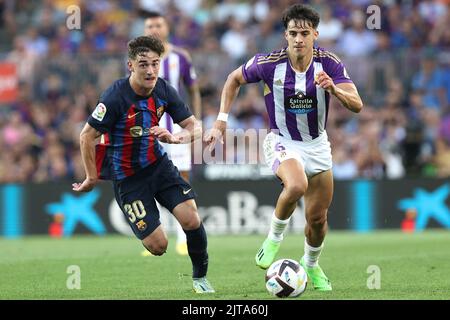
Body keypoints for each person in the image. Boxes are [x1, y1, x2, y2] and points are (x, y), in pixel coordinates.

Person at [205, 4, 363, 291]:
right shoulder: (269, 63)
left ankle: (311, 266)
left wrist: (333, 89)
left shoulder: (329, 63)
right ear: (285, 35)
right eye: (293, 33)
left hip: (317, 145)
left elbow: (357, 105)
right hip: (281, 140)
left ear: (315, 34)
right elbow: (233, 79)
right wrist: (221, 121)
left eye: (304, 33)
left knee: (317, 220)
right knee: (296, 186)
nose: (299, 39)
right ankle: (273, 239)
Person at [73, 35, 214, 294]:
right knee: (158, 246)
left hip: (158, 166)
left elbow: (195, 127)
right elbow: (87, 136)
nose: (150, 70)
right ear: (131, 66)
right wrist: (91, 178)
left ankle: (200, 278)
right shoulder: (115, 97)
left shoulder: (163, 89)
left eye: (155, 64)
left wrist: (176, 137)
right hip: (128, 178)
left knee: (191, 218)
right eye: (143, 64)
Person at [143, 11, 202, 256]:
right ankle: (158, 233)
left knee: (182, 179)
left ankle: (183, 238)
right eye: (150, 25)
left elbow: (194, 89)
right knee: (150, 181)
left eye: (158, 24)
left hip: (176, 128)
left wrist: (195, 122)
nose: (154, 29)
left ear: (167, 28)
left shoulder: (180, 57)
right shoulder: (139, 59)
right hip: (149, 129)